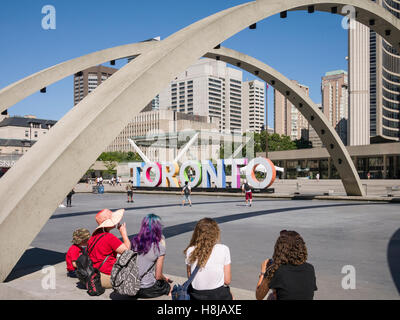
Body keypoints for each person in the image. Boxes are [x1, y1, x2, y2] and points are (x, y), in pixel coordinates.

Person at [255, 230, 317, 300]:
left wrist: (263, 272)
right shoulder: (310, 268)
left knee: (271, 297)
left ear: (279, 249)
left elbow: (259, 296)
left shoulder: (275, 270)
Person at [184, 218, 233, 300]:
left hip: (196, 295)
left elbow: (190, 276)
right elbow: (227, 281)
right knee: (231, 295)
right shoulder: (223, 249)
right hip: (217, 295)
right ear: (216, 233)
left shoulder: (190, 250)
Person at [87, 208, 131, 289]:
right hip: (106, 277)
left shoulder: (92, 237)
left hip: (94, 274)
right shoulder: (109, 237)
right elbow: (127, 251)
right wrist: (123, 233)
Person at [130, 214, 172, 298]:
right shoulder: (159, 247)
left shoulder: (134, 241)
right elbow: (158, 276)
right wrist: (165, 279)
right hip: (146, 289)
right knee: (167, 286)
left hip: (131, 286)